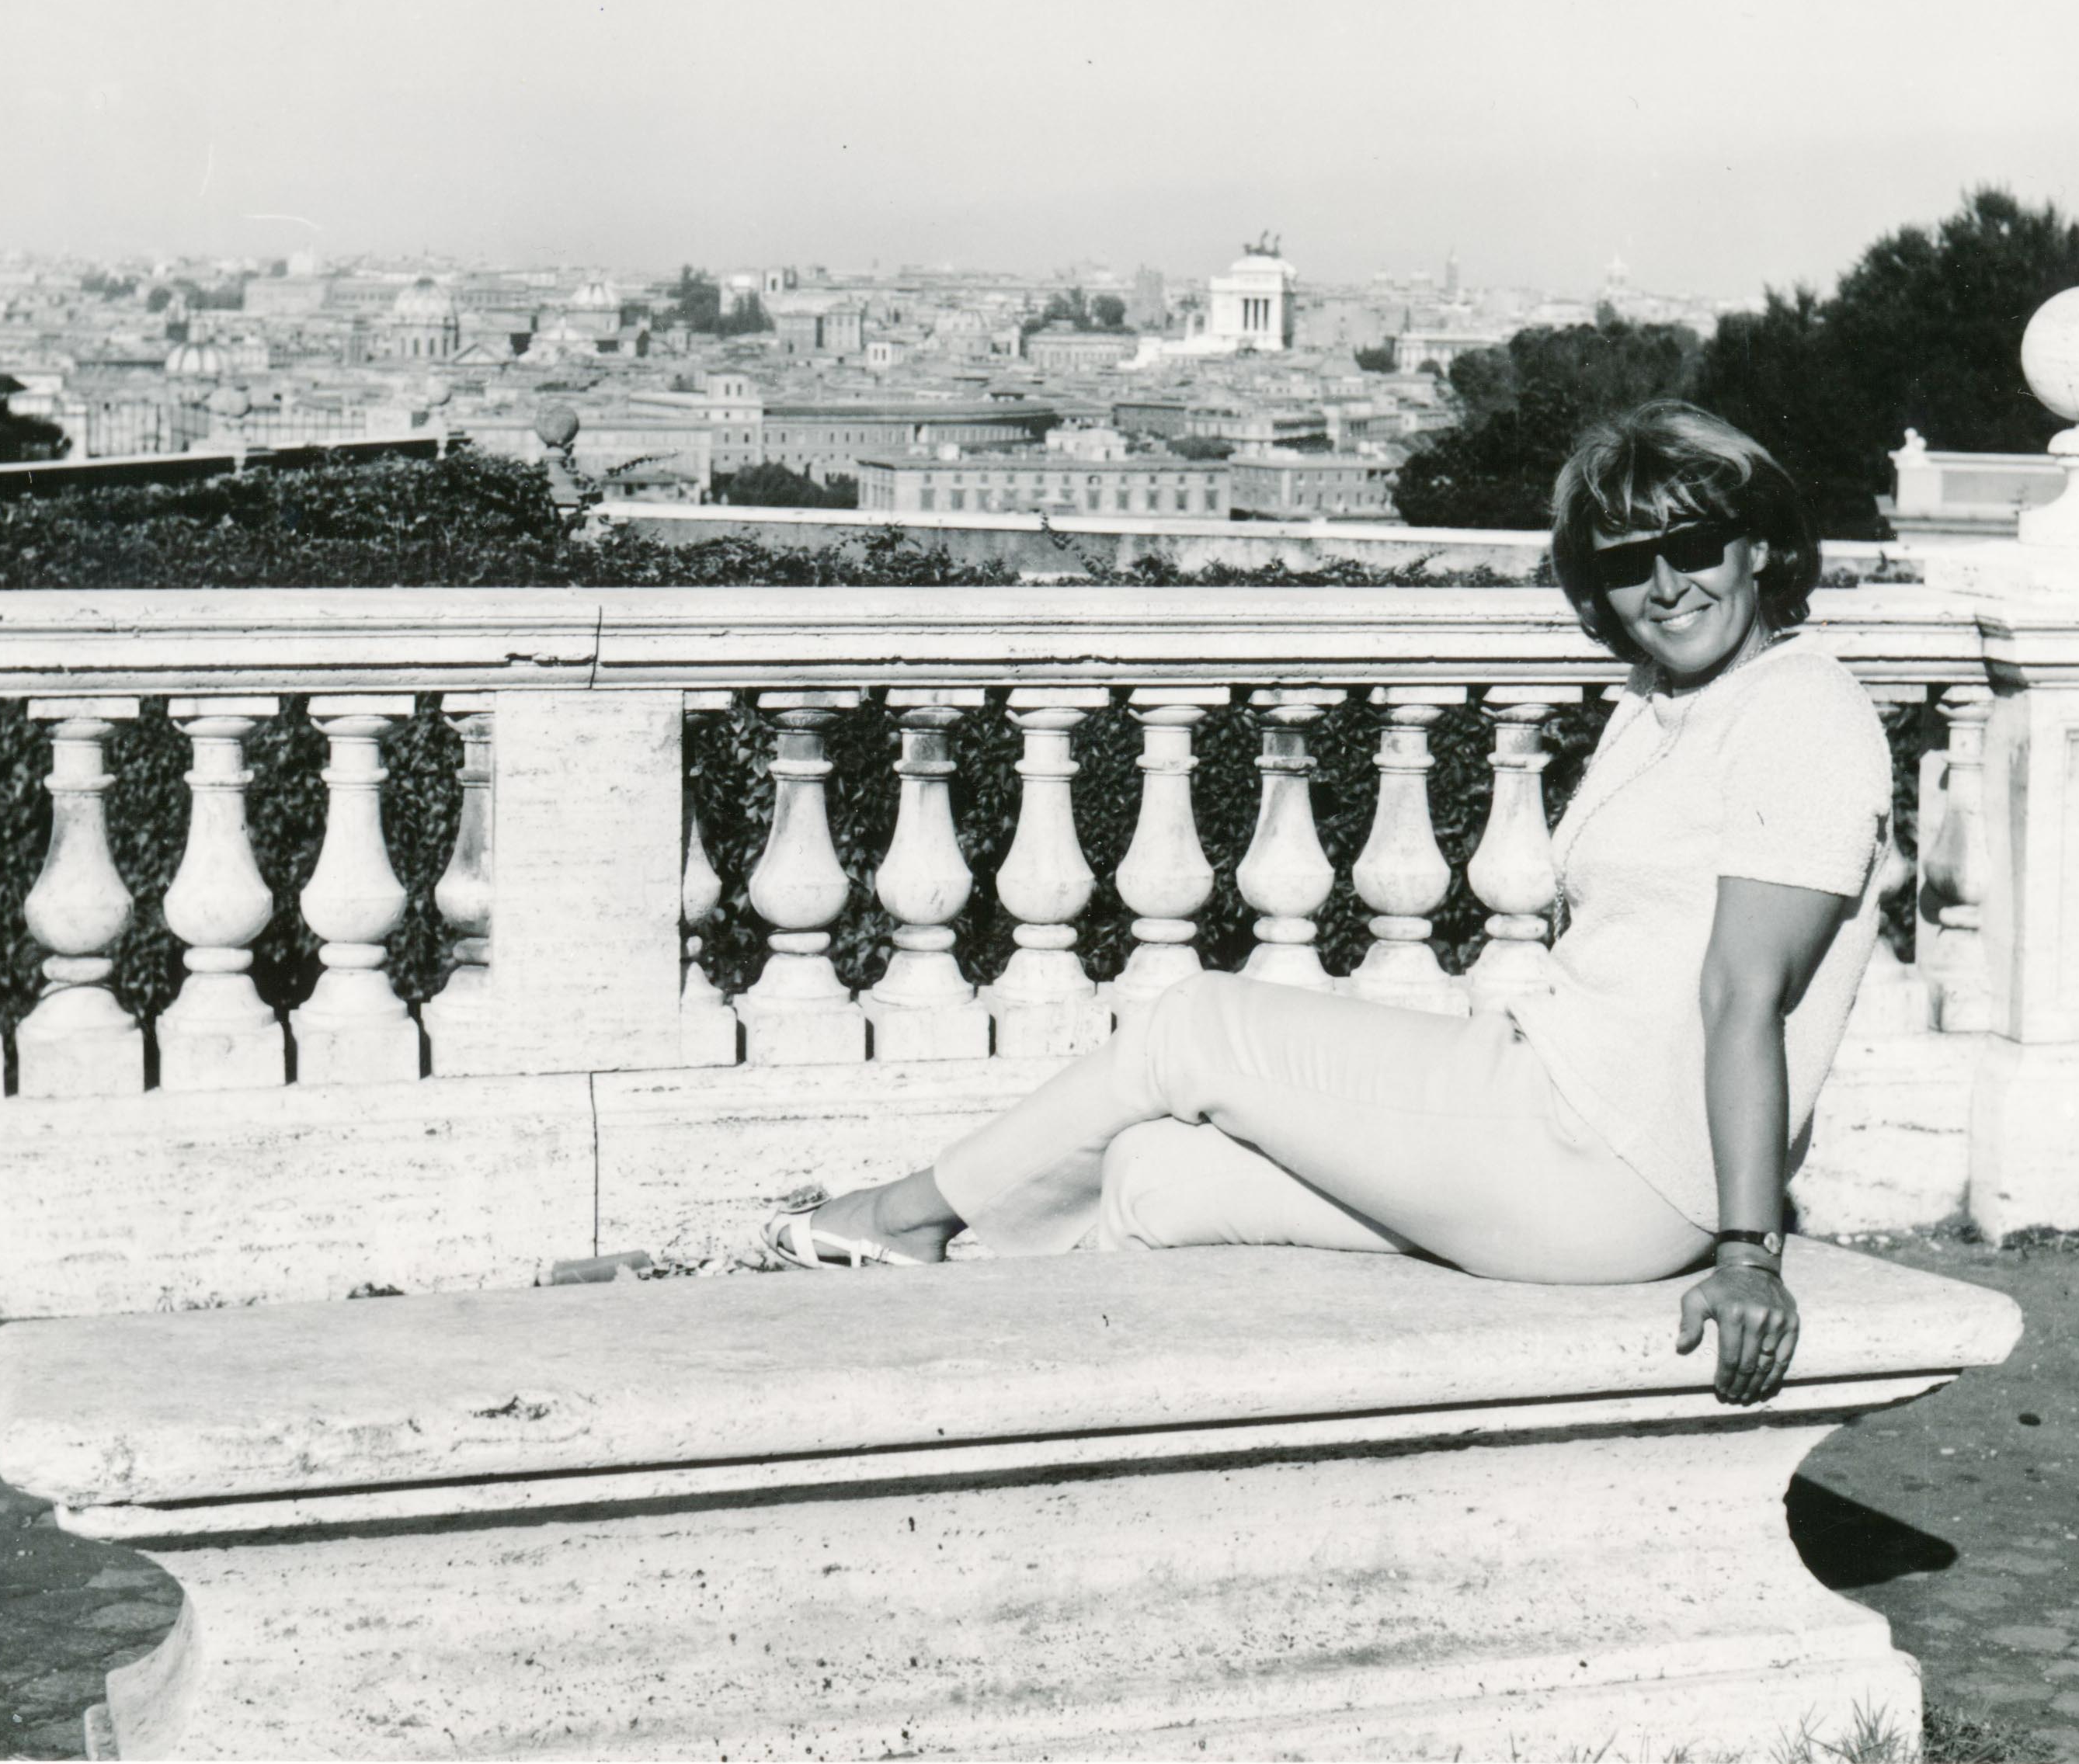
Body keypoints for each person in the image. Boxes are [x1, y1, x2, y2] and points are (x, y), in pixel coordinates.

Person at [763, 401, 1891, 1409]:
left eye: (1692, 545)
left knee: (1195, 1024)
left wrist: (1748, 1253)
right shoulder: (1668, 700)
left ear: (1760, 545)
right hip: (1566, 1145)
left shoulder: (1801, 714)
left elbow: (1746, 997)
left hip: (1602, 1152)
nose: (1666, 586)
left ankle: (905, 1217)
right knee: (1153, 1178)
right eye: (1630, 562)